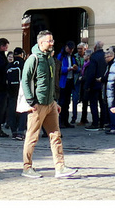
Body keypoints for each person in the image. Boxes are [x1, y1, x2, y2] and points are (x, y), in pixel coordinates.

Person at [20, 29, 78, 180]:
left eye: (52, 40)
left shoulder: (50, 58)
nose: (52, 43)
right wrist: (31, 101)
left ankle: (60, 167)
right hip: (37, 104)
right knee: (32, 137)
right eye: (49, 41)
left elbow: (52, 82)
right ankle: (27, 167)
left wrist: (54, 100)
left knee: (56, 136)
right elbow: (25, 80)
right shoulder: (33, 59)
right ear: (41, 43)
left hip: (50, 103)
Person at [81, 41, 107, 130]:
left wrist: (87, 85)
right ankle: (103, 122)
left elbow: (91, 73)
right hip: (103, 83)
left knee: (93, 104)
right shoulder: (105, 55)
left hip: (94, 84)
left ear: (95, 47)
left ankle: (95, 122)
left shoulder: (94, 57)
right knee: (102, 104)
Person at [7, 47, 26, 138]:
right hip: (21, 90)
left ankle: (13, 131)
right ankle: (21, 131)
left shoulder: (10, 65)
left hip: (11, 90)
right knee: (23, 109)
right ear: (22, 54)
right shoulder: (23, 64)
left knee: (11, 109)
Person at [57, 41, 78, 114]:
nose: (71, 51)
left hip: (70, 81)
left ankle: (66, 120)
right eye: (69, 49)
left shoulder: (72, 57)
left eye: (72, 49)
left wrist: (76, 69)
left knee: (67, 102)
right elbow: (58, 69)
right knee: (62, 102)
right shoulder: (61, 56)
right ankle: (61, 120)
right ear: (66, 47)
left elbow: (76, 67)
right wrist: (68, 69)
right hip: (63, 82)